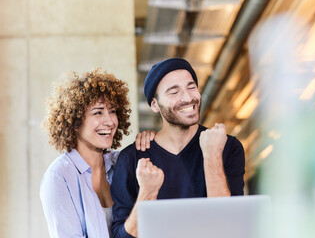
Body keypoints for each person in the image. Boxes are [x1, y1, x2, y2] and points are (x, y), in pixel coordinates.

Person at [111, 58, 245, 238]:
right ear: (154, 105)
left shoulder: (227, 147)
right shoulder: (131, 158)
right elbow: (120, 236)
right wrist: (147, 193)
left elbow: (233, 228)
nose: (188, 97)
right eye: (174, 92)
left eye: (191, 87)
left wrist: (212, 156)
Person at [40, 68, 155, 238]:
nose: (109, 121)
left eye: (113, 111)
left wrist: (151, 142)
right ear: (75, 121)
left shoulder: (122, 162)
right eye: (98, 112)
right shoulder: (59, 176)